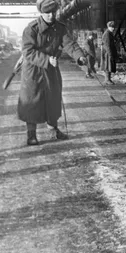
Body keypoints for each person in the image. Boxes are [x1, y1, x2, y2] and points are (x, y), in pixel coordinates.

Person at [18, 0, 87, 146]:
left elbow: (69, 44)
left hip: (50, 70)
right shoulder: (31, 29)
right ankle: (31, 134)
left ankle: (53, 130)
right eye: (47, 13)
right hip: (33, 71)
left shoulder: (59, 28)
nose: (51, 15)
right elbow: (27, 51)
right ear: (41, 13)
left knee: (53, 98)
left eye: (53, 12)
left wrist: (79, 56)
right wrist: (47, 59)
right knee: (32, 101)